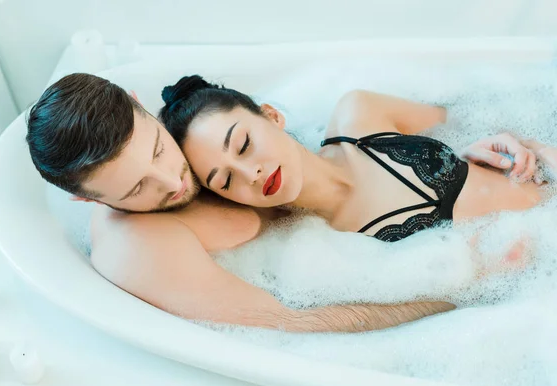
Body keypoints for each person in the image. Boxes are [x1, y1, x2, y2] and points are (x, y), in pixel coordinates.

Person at [25, 73, 540, 333]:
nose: (173, 181)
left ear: (140, 105)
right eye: (138, 189)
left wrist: (464, 150)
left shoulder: (351, 120)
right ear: (84, 198)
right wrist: (467, 288)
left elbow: (471, 116)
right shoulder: (138, 243)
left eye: (160, 150)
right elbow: (288, 324)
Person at [158, 75, 552, 244]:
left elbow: (473, 116)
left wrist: (505, 142)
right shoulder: (321, 252)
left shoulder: (359, 114)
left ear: (271, 115)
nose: (250, 173)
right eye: (225, 181)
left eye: (243, 145)